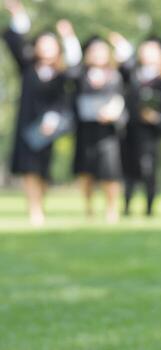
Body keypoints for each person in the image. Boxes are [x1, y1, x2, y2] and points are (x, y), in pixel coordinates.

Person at [2, 0, 81, 226]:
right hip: (27, 125)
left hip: (49, 127)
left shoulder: (62, 74)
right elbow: (15, 42)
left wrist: (68, 37)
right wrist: (19, 14)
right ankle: (34, 209)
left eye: (50, 44)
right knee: (28, 168)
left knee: (43, 169)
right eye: (42, 44)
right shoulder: (27, 67)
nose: (46, 48)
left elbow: (76, 70)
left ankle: (40, 203)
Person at [109, 33, 161, 217]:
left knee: (148, 169)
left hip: (151, 133)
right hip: (131, 130)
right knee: (129, 169)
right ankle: (127, 205)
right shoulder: (134, 75)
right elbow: (123, 69)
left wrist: (157, 117)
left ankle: (149, 207)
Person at [70, 32, 128, 223]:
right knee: (86, 171)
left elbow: (122, 96)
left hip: (108, 130)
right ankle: (89, 209)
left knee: (110, 171)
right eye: (93, 51)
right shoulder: (80, 74)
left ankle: (111, 208)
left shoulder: (115, 75)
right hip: (85, 129)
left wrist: (114, 111)